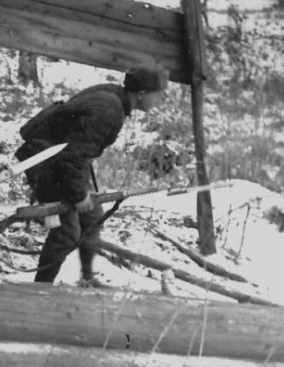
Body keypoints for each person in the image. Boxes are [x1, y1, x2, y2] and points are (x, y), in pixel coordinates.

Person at [14, 64, 169, 286]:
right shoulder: (108, 111)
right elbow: (74, 156)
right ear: (142, 95)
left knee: (92, 218)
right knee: (66, 233)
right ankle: (41, 288)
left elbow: (77, 151)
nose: (160, 101)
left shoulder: (114, 97)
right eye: (159, 95)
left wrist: (82, 194)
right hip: (46, 164)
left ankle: (87, 279)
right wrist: (78, 196)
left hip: (59, 161)